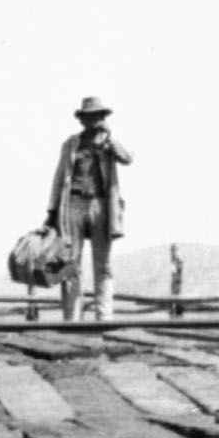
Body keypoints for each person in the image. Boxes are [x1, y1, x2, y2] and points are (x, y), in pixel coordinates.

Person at [45, 97, 131, 321]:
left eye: (98, 116)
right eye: (90, 116)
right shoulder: (71, 144)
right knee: (70, 263)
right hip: (73, 204)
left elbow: (127, 158)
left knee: (103, 264)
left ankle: (104, 317)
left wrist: (109, 138)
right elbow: (59, 178)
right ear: (82, 119)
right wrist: (52, 212)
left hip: (100, 205)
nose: (94, 120)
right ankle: (72, 318)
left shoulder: (108, 143)